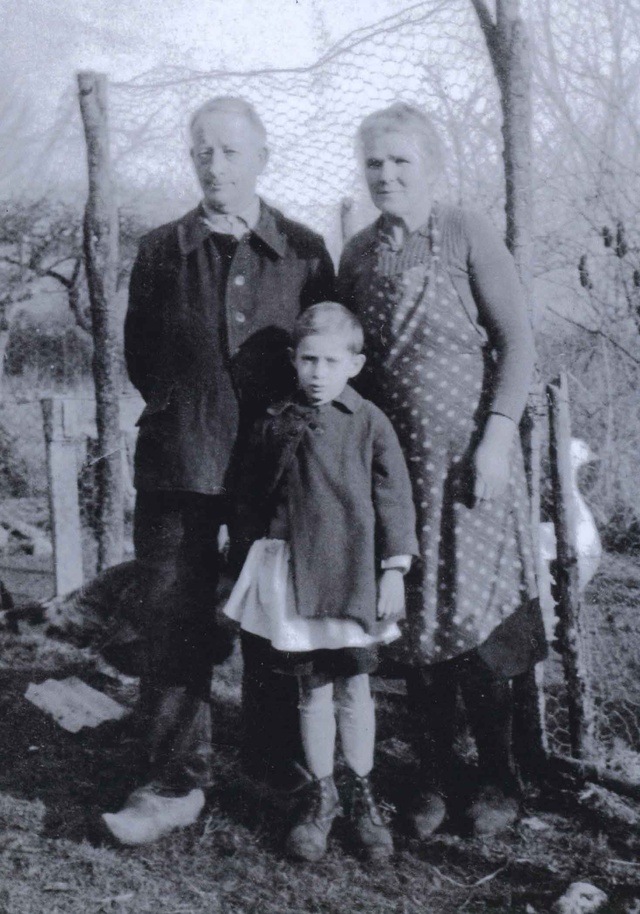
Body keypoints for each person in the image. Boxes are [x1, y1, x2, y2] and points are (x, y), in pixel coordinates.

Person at [102, 97, 334, 846]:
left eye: (231, 151)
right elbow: (145, 357)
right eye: (202, 150)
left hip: (273, 472)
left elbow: (323, 354)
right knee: (174, 618)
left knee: (273, 617)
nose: (215, 164)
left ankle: (271, 772)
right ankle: (173, 780)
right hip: (180, 463)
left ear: (261, 156)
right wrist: (191, 412)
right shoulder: (160, 249)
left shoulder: (303, 250)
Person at [338, 103, 547, 839]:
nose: (387, 174)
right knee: (415, 627)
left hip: (470, 468)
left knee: (482, 629)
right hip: (398, 474)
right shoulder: (357, 253)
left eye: (401, 161)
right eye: (375, 163)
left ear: (431, 166)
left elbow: (518, 343)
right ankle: (430, 777)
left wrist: (496, 438)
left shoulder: (465, 232)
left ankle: (497, 778)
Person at [224, 302, 419, 861]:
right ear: (293, 360)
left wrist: (394, 569)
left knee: (355, 687)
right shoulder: (274, 417)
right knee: (311, 689)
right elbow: (251, 496)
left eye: (331, 361)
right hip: (296, 574)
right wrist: (250, 558)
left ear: (354, 365)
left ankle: (361, 792)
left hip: (355, 575)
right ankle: (320, 795)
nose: (317, 372)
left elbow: (394, 498)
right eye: (308, 360)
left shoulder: (369, 421)